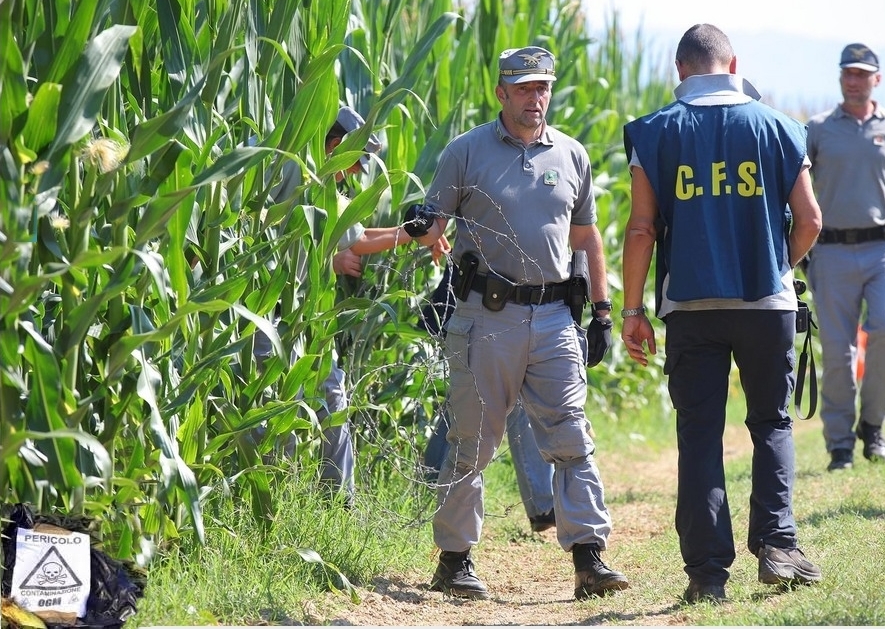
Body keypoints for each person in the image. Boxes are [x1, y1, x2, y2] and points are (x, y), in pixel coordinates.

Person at [404, 45, 627, 601]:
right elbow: (434, 226)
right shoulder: (466, 152)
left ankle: (589, 558)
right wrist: (419, 225)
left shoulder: (572, 154)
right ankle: (454, 561)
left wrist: (602, 313)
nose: (535, 98)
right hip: (486, 317)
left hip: (554, 318)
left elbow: (586, 237)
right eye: (524, 88)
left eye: (543, 87)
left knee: (571, 435)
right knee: (471, 442)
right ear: (501, 93)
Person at [620, 24, 823, 604]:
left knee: (700, 436)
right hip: (766, 304)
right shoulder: (779, 127)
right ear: (733, 64)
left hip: (691, 308)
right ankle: (778, 546)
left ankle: (708, 576)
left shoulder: (654, 131)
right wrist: (776, 266)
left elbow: (641, 228)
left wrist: (632, 310)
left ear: (680, 70)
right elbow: (810, 220)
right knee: (772, 423)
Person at [254, 106, 448, 504]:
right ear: (333, 146)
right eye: (355, 161)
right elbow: (358, 241)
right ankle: (270, 499)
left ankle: (338, 502)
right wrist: (414, 235)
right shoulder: (295, 170)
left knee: (331, 392)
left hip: (299, 313)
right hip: (264, 310)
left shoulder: (318, 180)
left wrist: (413, 233)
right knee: (277, 401)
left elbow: (354, 233)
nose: (357, 172)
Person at [419, 266, 557, 532]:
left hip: (499, 306)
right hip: (473, 301)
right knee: (468, 401)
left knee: (471, 399)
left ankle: (543, 504)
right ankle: (436, 484)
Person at [805, 43, 885, 471]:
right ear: (840, 78)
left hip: (881, 251)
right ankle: (839, 444)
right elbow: (795, 190)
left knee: (884, 333)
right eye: (847, 73)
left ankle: (873, 425)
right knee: (838, 353)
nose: (853, 81)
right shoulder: (818, 129)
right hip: (831, 252)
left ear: (876, 79)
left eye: (861, 74)